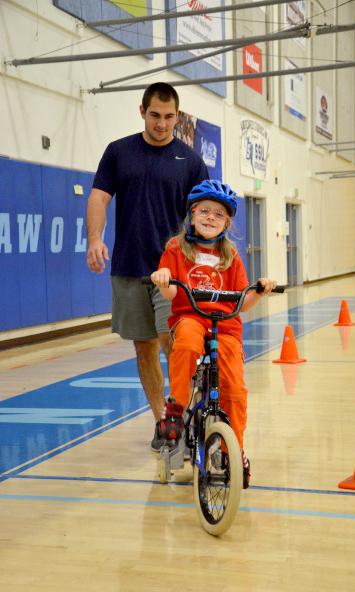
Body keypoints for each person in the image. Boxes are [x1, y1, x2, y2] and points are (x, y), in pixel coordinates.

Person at [86, 82, 209, 451]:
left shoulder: (190, 161)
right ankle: (163, 423)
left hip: (174, 272)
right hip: (129, 266)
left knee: (176, 344)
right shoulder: (119, 152)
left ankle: (186, 415)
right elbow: (98, 197)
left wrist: (203, 259)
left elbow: (204, 216)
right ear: (142, 111)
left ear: (178, 116)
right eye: (155, 115)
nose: (162, 123)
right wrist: (94, 239)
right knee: (144, 349)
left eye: (169, 116)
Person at [150, 179, 277, 488]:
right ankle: (176, 413)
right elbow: (169, 295)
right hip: (191, 317)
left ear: (227, 222)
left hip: (226, 326)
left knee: (234, 389)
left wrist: (259, 291)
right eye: (204, 211)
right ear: (191, 215)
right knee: (188, 344)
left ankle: (236, 448)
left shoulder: (231, 256)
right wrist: (163, 278)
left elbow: (242, 302)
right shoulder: (176, 249)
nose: (210, 218)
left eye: (218, 214)